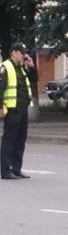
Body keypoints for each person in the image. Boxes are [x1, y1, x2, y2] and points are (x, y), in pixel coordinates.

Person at [0, 42, 35, 180]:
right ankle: (5, 170)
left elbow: (33, 80)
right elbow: (0, 88)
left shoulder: (22, 67)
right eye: (21, 52)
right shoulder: (5, 67)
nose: (24, 55)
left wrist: (31, 67)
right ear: (14, 52)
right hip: (12, 109)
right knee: (9, 140)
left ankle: (16, 168)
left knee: (21, 139)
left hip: (22, 109)